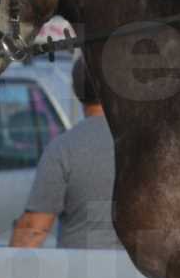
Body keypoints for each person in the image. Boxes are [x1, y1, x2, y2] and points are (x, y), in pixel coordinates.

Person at [10, 55, 122, 250]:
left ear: (76, 91)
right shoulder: (150, 145)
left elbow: (33, 230)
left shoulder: (63, 148)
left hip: (81, 273)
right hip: (141, 274)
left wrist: (6, 273)